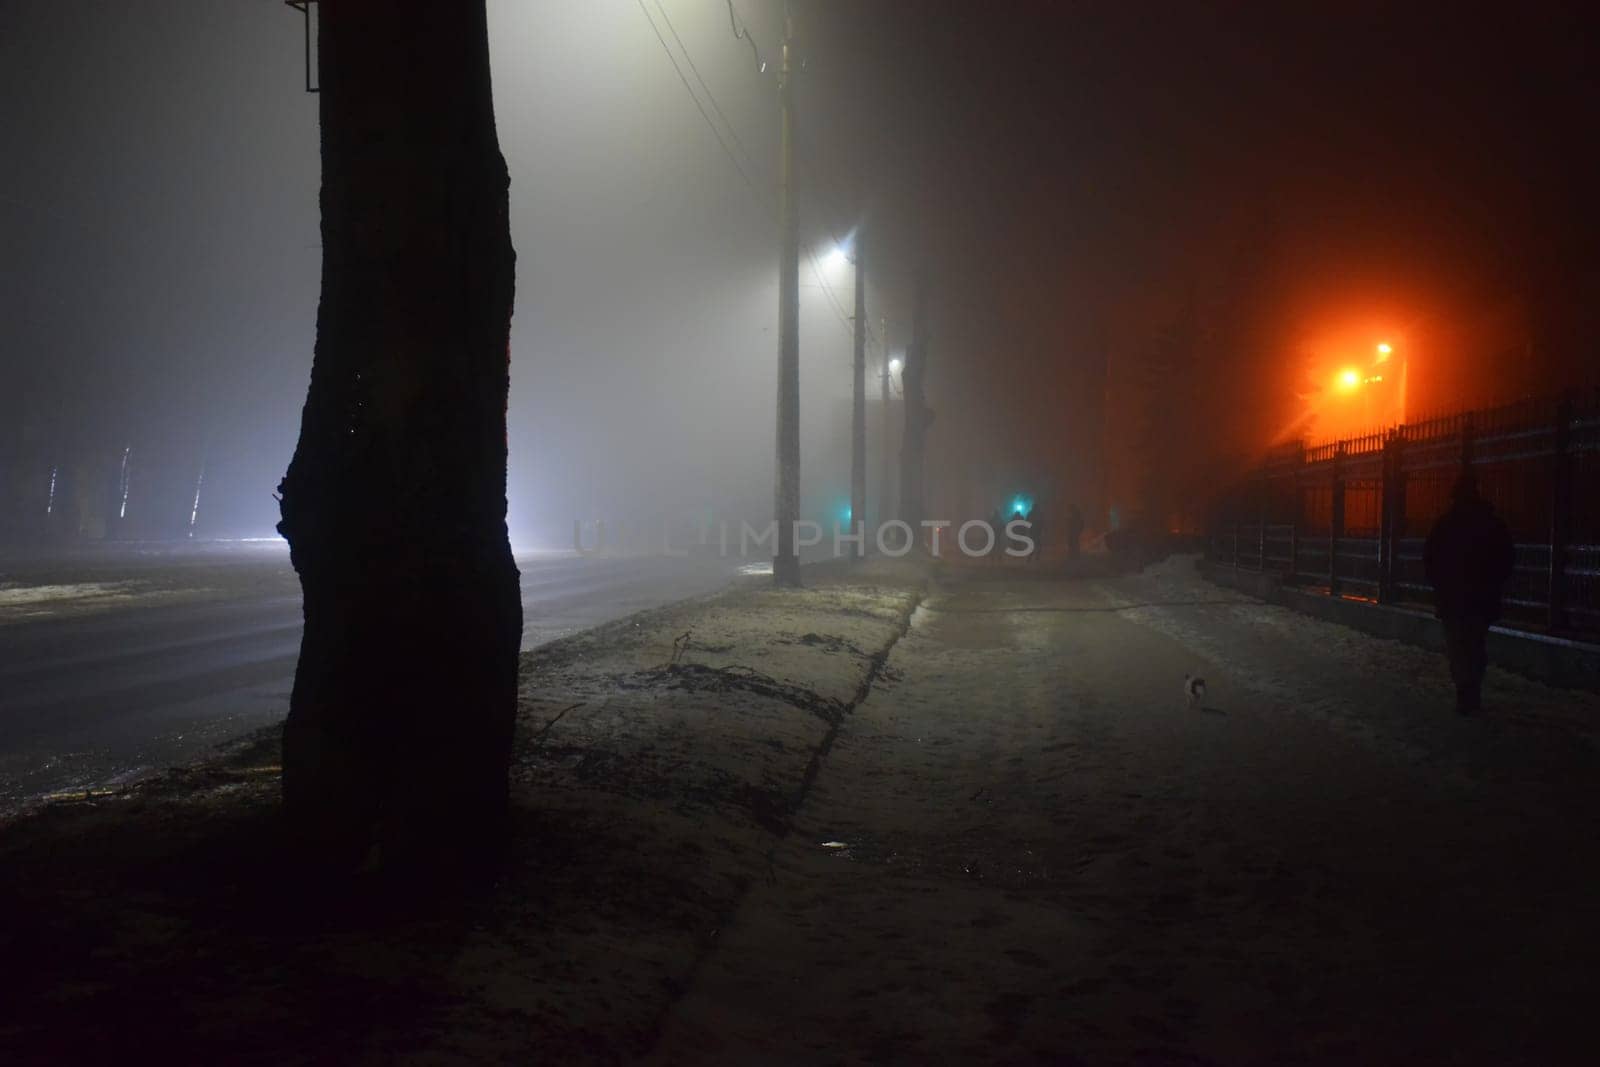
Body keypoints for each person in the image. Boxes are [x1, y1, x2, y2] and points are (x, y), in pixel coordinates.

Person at [1423, 474, 1514, 715]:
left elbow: (1430, 560)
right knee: (1475, 644)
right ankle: (1472, 689)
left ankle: (1465, 690)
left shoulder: (1445, 525)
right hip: (1482, 598)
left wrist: (1440, 586)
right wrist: (1493, 585)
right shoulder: (1492, 523)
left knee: (1458, 646)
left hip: (1452, 598)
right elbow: (1505, 559)